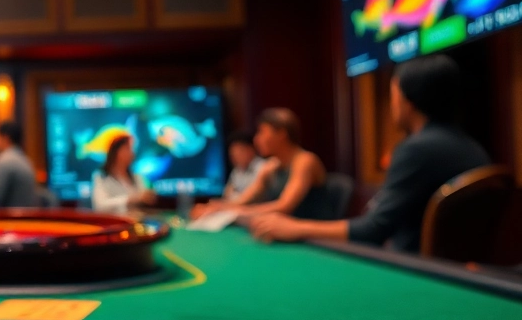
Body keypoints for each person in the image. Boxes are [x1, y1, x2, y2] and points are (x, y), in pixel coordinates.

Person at [249, 55, 490, 252]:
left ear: (409, 101)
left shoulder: (416, 149)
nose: (392, 104)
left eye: (393, 95)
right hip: (458, 273)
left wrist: (295, 228)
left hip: (418, 273)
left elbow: (373, 231)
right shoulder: (473, 147)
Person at [190, 108, 334, 220]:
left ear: (281, 134)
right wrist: (216, 207)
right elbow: (243, 201)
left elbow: (284, 207)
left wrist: (233, 212)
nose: (257, 139)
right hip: (284, 232)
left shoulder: (305, 160)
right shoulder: (272, 166)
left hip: (316, 241)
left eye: (262, 132)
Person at [91, 135, 158, 215]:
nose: (133, 153)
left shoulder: (136, 177)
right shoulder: (101, 176)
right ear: (117, 151)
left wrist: (148, 196)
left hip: (136, 223)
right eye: (129, 148)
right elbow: (100, 206)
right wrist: (129, 200)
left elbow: (145, 197)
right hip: (113, 223)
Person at [224, 130, 265, 199]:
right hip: (238, 207)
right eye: (232, 154)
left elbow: (251, 198)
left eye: (239, 152)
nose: (235, 157)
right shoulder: (237, 170)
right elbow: (227, 194)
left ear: (251, 149)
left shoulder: (263, 167)